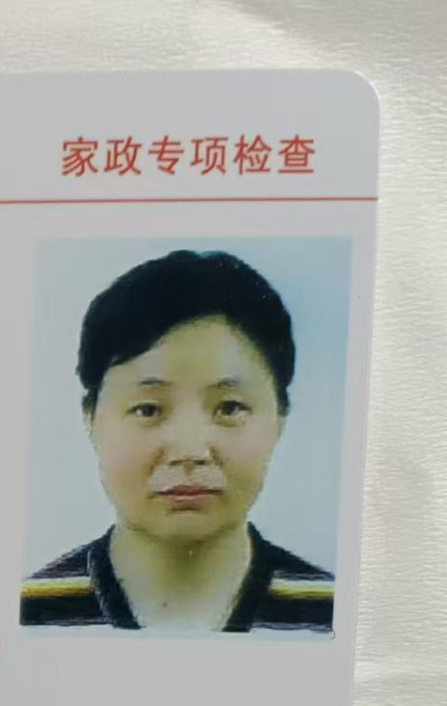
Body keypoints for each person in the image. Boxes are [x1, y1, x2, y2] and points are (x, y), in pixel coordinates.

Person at [21, 250, 334, 632]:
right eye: (148, 410)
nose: (190, 452)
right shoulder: (30, 615)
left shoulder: (330, 615)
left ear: (280, 418)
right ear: (90, 419)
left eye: (229, 407)